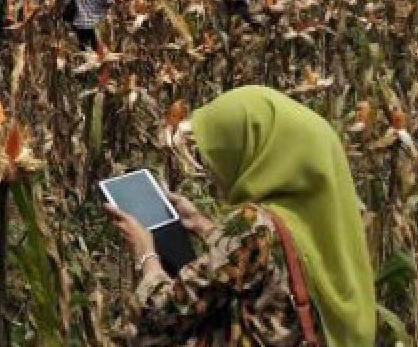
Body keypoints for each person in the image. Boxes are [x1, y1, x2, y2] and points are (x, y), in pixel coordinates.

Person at [107, 86, 376, 346]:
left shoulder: (251, 224)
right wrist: (206, 227)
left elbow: (162, 312)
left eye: (220, 155)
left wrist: (146, 253)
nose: (213, 170)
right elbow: (267, 261)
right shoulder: (325, 217)